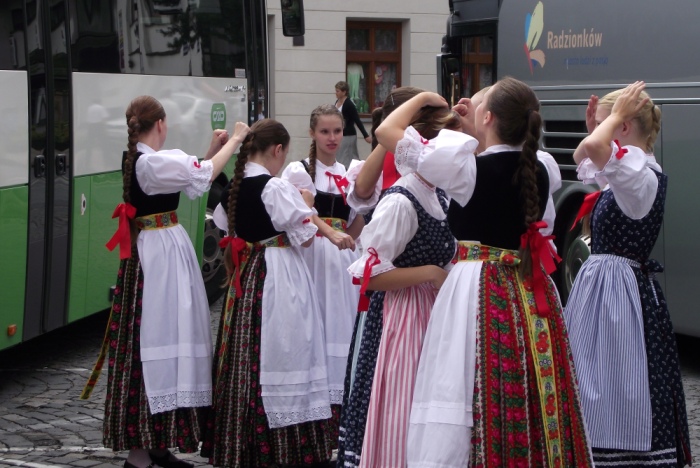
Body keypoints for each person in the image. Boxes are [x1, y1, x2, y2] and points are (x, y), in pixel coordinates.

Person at [406, 77, 593, 467]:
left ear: (488, 117)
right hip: (527, 283)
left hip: (476, 285)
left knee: (468, 376)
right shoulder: (540, 167)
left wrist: (426, 100)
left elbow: (389, 133)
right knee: (527, 374)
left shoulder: (466, 169)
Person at [88, 95, 249, 468]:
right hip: (157, 258)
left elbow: (190, 176)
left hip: (159, 251)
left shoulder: (146, 160)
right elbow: (200, 176)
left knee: (166, 336)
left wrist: (210, 151)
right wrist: (237, 139)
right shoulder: (150, 162)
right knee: (155, 339)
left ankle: (157, 446)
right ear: (160, 123)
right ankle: (140, 453)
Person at [564, 82, 691, 467]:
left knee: (616, 378)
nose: (601, 130)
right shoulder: (626, 169)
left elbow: (594, 150)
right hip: (605, 288)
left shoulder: (640, 173)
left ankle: (619, 452)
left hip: (620, 294)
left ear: (623, 126)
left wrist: (607, 123)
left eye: (609, 123)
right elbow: (584, 153)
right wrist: (596, 128)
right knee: (591, 373)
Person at [338, 93, 469, 468]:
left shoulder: (437, 194)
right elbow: (369, 275)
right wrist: (430, 273)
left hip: (430, 313)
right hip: (402, 319)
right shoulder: (401, 201)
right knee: (403, 399)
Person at [204, 119, 335, 467]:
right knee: (286, 350)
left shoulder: (234, 187)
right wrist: (307, 201)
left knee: (247, 354)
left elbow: (224, 226)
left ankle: (242, 444)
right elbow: (305, 238)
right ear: (277, 150)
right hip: (279, 276)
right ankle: (286, 447)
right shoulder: (274, 188)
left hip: (248, 276)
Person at [279, 104, 364, 429]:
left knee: (341, 323)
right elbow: (297, 215)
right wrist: (328, 232)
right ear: (312, 133)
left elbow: (354, 225)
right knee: (314, 323)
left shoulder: (349, 173)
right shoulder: (299, 171)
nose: (332, 137)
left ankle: (339, 409)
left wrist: (363, 210)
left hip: (342, 261)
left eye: (337, 131)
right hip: (311, 255)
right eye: (325, 131)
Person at [335, 81, 371, 169]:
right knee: (340, 155)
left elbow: (357, 120)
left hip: (348, 134)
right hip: (340, 133)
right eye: (336, 91)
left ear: (344, 92)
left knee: (347, 155)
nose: (336, 93)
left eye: (338, 91)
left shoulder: (349, 104)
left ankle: (352, 171)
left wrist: (365, 135)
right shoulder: (337, 102)